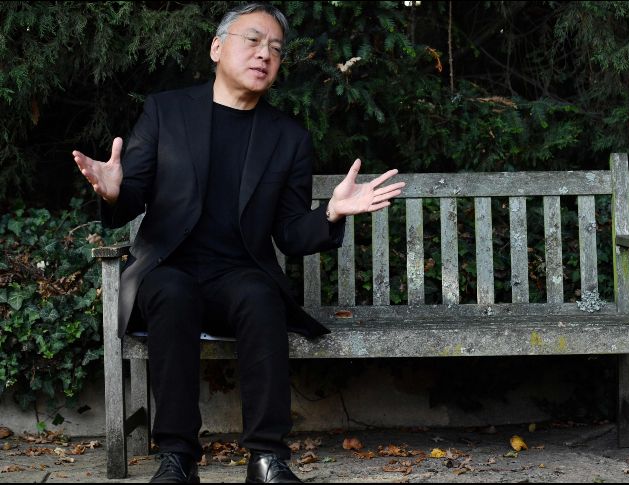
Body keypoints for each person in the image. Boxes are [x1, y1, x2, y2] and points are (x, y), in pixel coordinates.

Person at [72, 3, 405, 483]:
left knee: (260, 294)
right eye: (253, 40)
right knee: (171, 290)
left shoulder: (287, 137)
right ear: (217, 47)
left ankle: (267, 459)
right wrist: (114, 190)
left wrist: (329, 213)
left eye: (275, 48)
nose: (264, 54)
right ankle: (178, 457)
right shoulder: (166, 111)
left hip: (238, 276)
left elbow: (289, 233)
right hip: (171, 270)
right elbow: (132, 196)